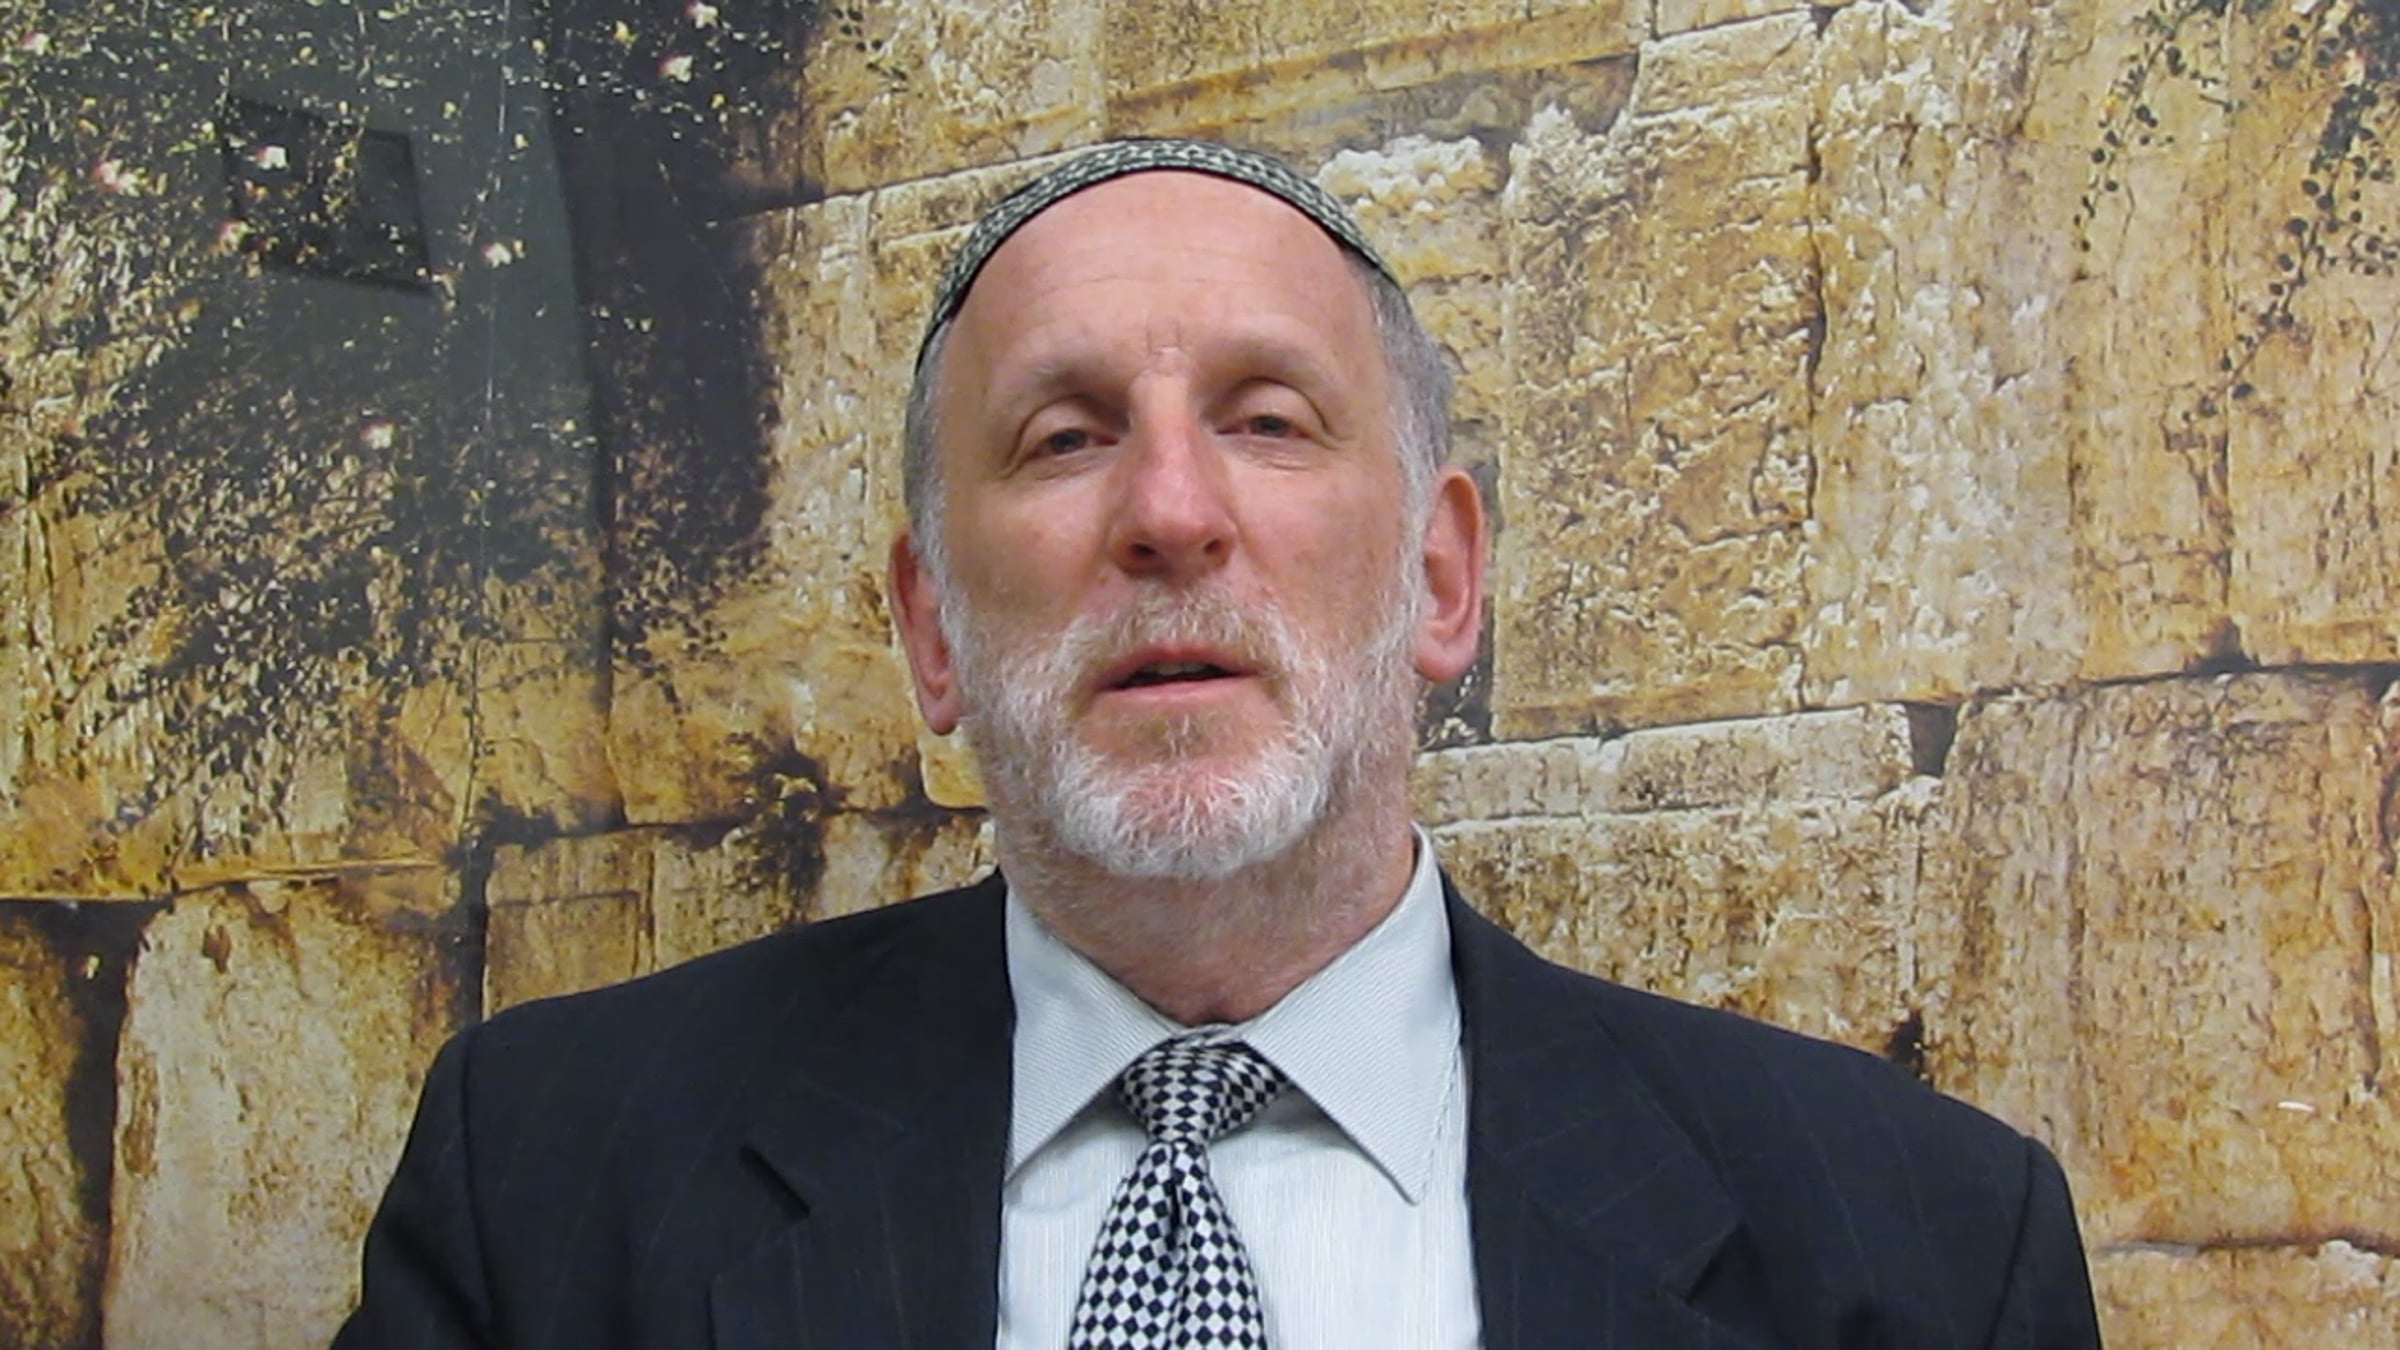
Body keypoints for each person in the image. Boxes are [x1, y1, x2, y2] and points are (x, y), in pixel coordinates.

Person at [337, 138, 2103, 1348]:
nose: (1170, 511)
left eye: (1266, 420)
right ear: (933, 629)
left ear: (1439, 577)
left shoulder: (1927, 1250)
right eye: (1062, 435)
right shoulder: (546, 1187)